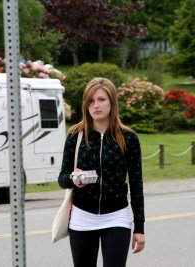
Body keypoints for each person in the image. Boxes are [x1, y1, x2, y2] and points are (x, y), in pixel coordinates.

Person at [58, 77, 145, 267]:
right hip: (82, 217)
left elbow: (136, 184)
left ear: (112, 102)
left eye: (101, 100)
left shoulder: (128, 138)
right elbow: (62, 178)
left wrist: (140, 227)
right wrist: (74, 179)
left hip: (117, 217)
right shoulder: (75, 135)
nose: (95, 105)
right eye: (91, 101)